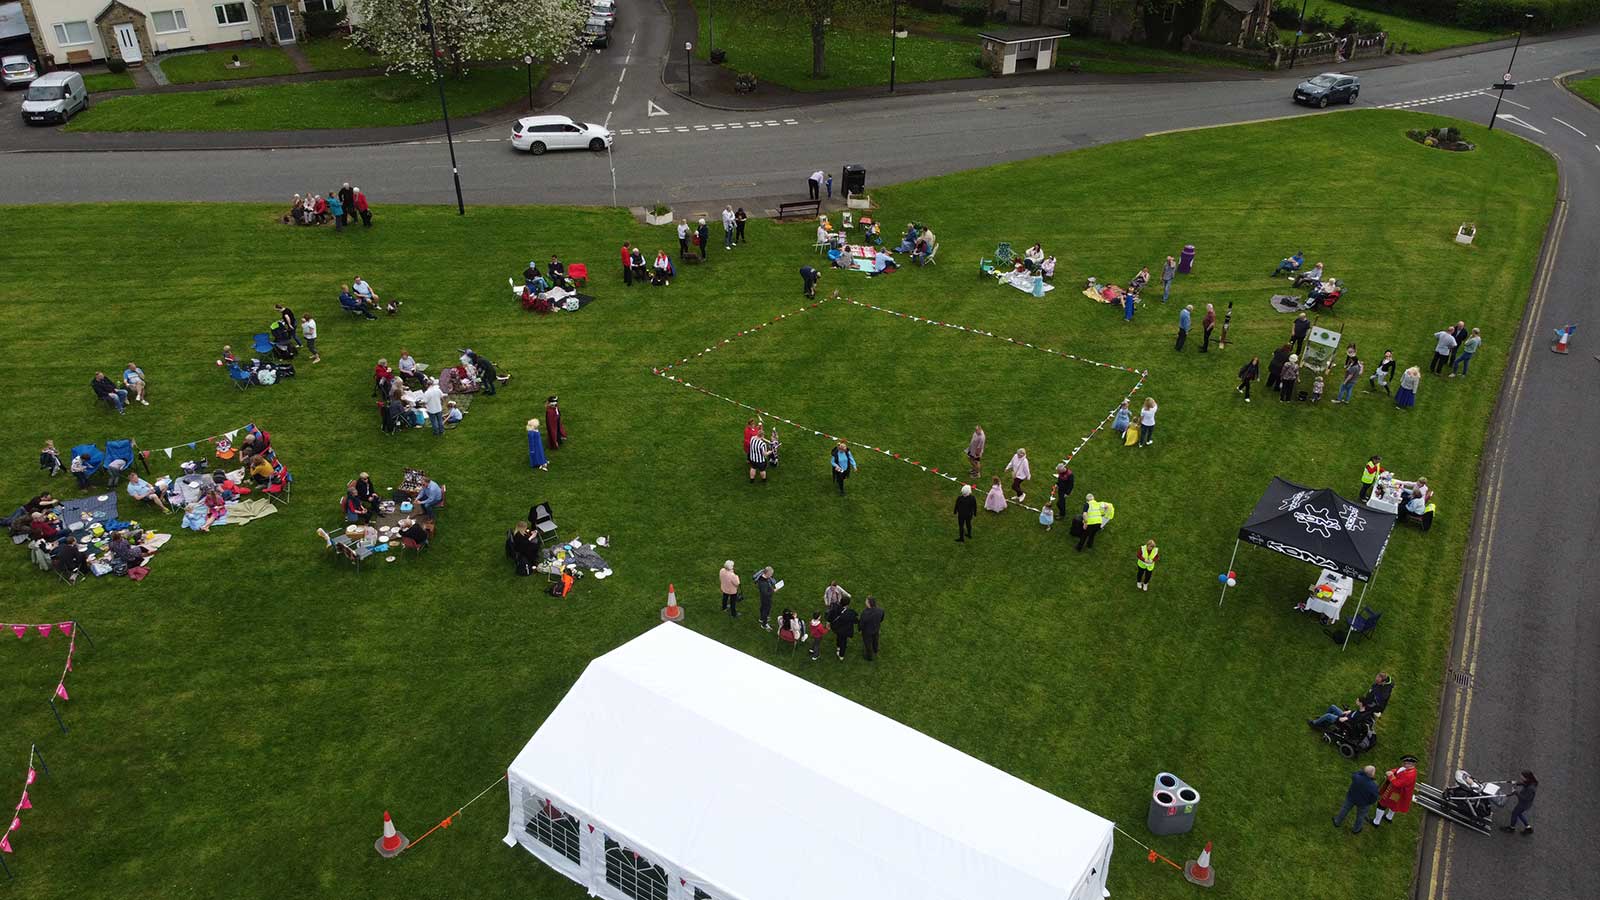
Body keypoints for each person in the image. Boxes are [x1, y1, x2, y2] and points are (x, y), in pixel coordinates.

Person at [1371, 756, 1418, 828]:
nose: (1403, 764)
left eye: (1405, 763)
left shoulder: (1409, 775)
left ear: (1411, 764)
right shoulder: (1409, 769)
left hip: (1395, 792)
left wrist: (1390, 776)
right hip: (1399, 793)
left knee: (1382, 804)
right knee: (1394, 805)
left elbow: (1397, 784)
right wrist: (1392, 771)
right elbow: (1398, 770)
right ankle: (1388, 818)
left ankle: (1376, 822)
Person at [1335, 766, 1382, 834]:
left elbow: (1355, 773)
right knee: (1360, 816)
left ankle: (1337, 821)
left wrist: (1363, 771)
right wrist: (1368, 803)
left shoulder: (1356, 777)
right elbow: (1374, 798)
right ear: (1372, 774)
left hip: (1351, 797)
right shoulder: (1373, 786)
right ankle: (1356, 829)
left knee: (1344, 809)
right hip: (1363, 803)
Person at [1310, 697, 1374, 731]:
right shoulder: (1363, 710)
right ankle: (1323, 720)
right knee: (1333, 707)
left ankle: (1314, 723)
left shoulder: (1358, 715)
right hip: (1346, 716)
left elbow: (1344, 720)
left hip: (1343, 722)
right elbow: (1355, 713)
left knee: (1328, 715)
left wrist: (1340, 717)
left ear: (1361, 703)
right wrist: (1350, 711)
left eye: (1357, 701)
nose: (1356, 701)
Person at [859, 595, 885, 661]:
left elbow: (861, 623)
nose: (865, 602)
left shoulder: (865, 613)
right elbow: (881, 619)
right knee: (875, 640)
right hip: (876, 629)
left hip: (867, 632)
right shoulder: (880, 610)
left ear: (869, 603)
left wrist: (860, 629)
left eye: (866, 601)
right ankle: (875, 649)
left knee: (867, 644)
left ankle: (869, 657)